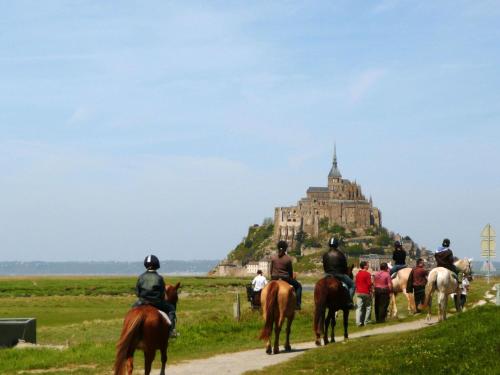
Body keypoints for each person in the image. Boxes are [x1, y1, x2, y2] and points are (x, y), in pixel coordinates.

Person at [134, 254, 178, 337]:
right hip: (156, 302)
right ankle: (171, 331)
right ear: (157, 265)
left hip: (142, 302)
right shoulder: (159, 278)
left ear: (145, 265)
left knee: (132, 310)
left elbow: (137, 292)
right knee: (171, 308)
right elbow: (162, 293)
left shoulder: (141, 277)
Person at [322, 237, 355, 309]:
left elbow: (324, 266)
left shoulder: (325, 254)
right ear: (337, 245)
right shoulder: (340, 254)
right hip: (339, 275)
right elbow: (344, 267)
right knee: (352, 285)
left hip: (327, 274)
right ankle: (349, 301)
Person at [270, 241, 302, 309]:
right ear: (285, 249)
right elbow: (290, 272)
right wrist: (291, 278)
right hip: (285, 279)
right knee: (299, 286)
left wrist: (272, 277)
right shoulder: (288, 259)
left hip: (274, 278)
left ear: (278, 248)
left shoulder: (273, 257)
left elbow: (271, 270)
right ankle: (297, 304)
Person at [355, 261, 372, 326]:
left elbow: (356, 283)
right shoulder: (367, 274)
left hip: (358, 292)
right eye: (367, 265)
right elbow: (369, 284)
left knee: (359, 308)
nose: (368, 266)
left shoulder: (357, 274)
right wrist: (372, 283)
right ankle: (366, 322)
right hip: (366, 292)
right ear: (364, 266)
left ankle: (358, 322)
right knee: (368, 307)